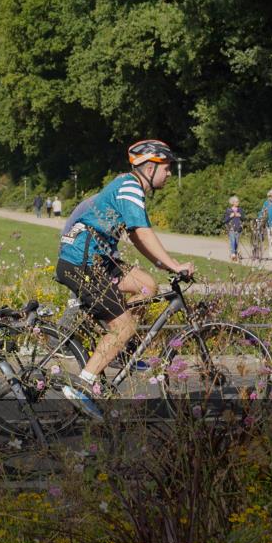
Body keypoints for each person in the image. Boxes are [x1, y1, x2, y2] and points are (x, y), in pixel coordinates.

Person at [55, 139, 194, 418]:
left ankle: (119, 350)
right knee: (124, 326)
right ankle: (82, 386)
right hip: (82, 262)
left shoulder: (129, 186)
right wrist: (174, 264)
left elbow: (135, 235)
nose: (168, 173)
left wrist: (164, 266)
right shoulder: (129, 186)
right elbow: (142, 233)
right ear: (148, 167)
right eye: (165, 167)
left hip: (98, 259)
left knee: (147, 286)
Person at [223, 196, 245, 262]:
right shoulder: (228, 210)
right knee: (232, 240)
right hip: (231, 228)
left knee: (236, 242)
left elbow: (244, 218)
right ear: (233, 202)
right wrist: (230, 216)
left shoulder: (240, 210)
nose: (238, 202)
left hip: (238, 228)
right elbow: (225, 220)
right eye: (236, 201)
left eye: (238, 201)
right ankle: (233, 254)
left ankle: (234, 254)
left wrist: (240, 216)